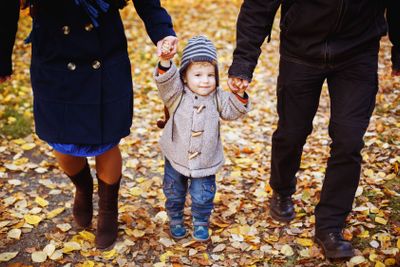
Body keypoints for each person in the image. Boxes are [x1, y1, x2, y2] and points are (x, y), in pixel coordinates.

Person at [227, 0, 400, 259]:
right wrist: (243, 61)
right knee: (291, 132)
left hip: (358, 52)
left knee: (349, 141)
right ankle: (282, 189)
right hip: (301, 51)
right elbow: (258, 5)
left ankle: (330, 226)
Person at [0, 0, 177, 249]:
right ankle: (83, 187)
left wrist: (163, 33)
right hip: (54, 53)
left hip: (104, 51)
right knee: (61, 141)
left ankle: (107, 209)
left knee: (106, 140)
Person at [154, 36, 250, 241]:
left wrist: (239, 93)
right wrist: (164, 61)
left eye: (210, 75)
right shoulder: (176, 93)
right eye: (198, 74)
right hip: (176, 155)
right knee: (173, 191)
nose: (205, 80)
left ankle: (200, 221)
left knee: (203, 194)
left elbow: (233, 111)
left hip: (205, 160)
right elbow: (165, 82)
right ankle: (176, 219)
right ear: (185, 77)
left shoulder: (218, 97)